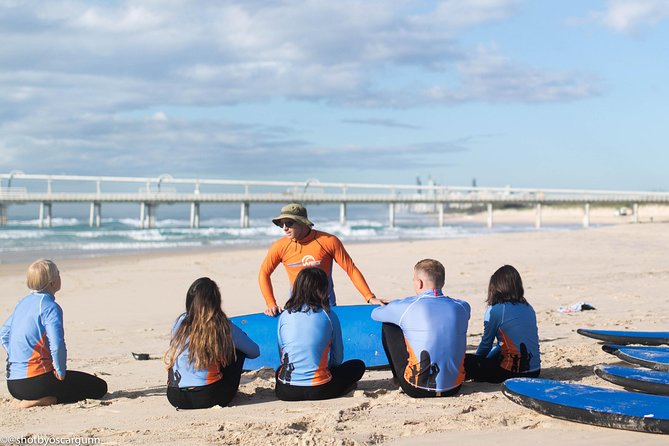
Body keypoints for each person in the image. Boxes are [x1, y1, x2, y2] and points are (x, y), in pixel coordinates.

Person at [0, 259, 107, 408]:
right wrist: (61, 370)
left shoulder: (22, 303)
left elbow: (3, 334)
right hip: (37, 382)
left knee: (76, 383)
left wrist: (19, 354)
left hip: (13, 384)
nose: (59, 275)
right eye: (58, 273)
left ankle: (24, 398)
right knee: (99, 387)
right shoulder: (50, 307)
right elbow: (56, 344)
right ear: (52, 282)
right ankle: (43, 399)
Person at [259, 203, 385, 316]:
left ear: (302, 222)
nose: (284, 228)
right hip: (296, 306)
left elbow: (350, 269)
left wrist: (369, 297)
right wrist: (271, 304)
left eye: (289, 223)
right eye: (281, 224)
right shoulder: (280, 246)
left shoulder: (328, 241)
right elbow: (263, 273)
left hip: (326, 305)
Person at [371, 259, 470, 398]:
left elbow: (375, 314)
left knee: (389, 325)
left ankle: (397, 379)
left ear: (419, 283)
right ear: (442, 282)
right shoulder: (463, 307)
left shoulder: (407, 307)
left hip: (416, 388)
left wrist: (396, 305)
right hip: (454, 387)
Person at [164, 277, 260, 409]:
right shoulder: (222, 325)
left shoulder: (179, 322)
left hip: (175, 396)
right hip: (209, 397)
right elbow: (254, 351)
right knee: (237, 350)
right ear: (215, 301)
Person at [275, 267, 365, 401]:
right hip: (320, 390)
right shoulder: (329, 316)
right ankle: (343, 387)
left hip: (286, 391)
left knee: (279, 370)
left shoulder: (284, 315)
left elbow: (282, 354)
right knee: (358, 365)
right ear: (323, 289)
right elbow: (337, 358)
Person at [464, 265, 541, 383]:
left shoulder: (495, 310)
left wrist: (477, 362)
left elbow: (486, 344)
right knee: (499, 351)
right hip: (535, 371)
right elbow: (503, 345)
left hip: (511, 373)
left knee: (465, 361)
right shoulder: (528, 307)